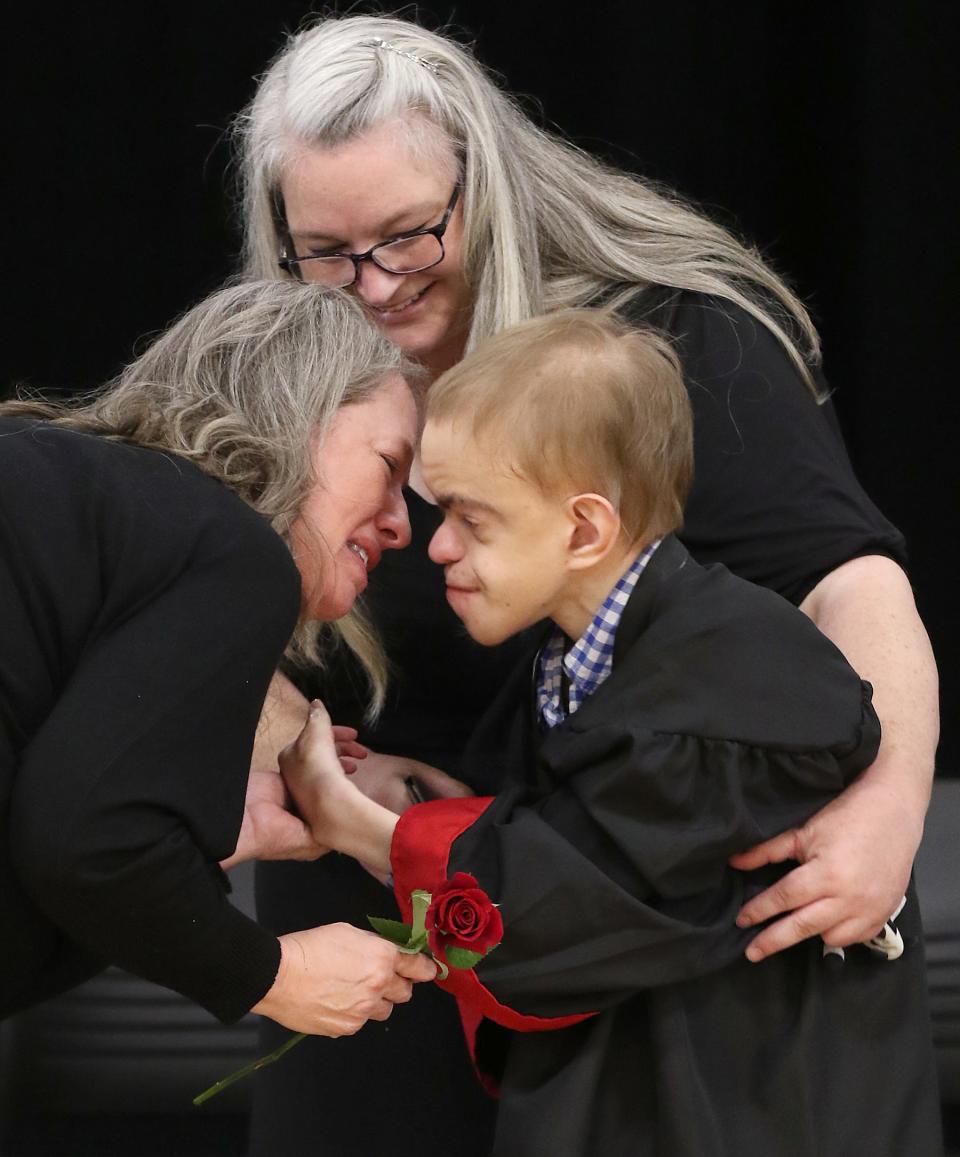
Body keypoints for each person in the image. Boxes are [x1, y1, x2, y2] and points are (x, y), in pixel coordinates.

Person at [235, 14, 939, 1154]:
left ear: (487, 182)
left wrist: (890, 804)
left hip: (623, 951)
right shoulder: (284, 378)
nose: (369, 285)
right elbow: (227, 626)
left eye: (410, 237)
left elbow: (848, 583)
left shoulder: (664, 345)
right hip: (380, 922)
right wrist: (310, 754)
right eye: (324, 249)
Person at [280, 308, 943, 1156]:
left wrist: (359, 824)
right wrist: (440, 791)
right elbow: (598, 828)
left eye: (471, 518)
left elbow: (562, 901)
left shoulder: (727, 685)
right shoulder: (584, 657)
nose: (435, 545)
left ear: (586, 528)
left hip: (755, 1106)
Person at [0, 279, 436, 1036]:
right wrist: (275, 975)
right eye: (390, 466)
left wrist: (209, 833)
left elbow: (61, 853)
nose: (404, 525)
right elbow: (83, 845)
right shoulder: (236, 549)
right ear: (305, 411)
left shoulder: (66, 494)